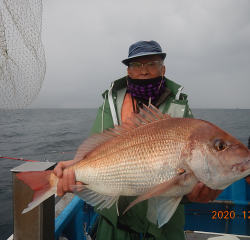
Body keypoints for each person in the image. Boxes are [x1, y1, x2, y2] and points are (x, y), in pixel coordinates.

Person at [54, 40, 224, 239]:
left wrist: (191, 194)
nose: (144, 71)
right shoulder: (110, 104)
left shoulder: (180, 108)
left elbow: (189, 174)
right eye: (136, 65)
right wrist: (76, 166)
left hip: (165, 230)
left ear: (163, 69)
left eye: (151, 63)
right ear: (129, 72)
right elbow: (95, 150)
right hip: (116, 224)